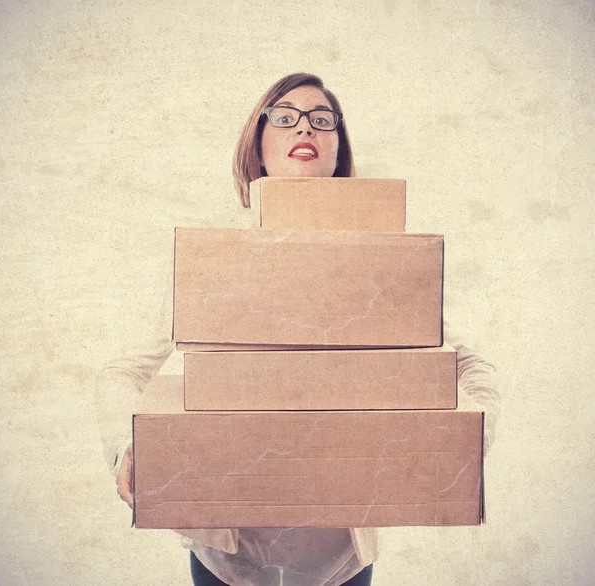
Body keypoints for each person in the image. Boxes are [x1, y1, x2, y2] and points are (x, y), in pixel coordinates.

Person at [95, 72, 501, 586]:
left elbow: (471, 365)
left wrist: (458, 445)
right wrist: (124, 446)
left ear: (338, 150)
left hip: (342, 563)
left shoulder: (382, 264)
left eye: (321, 119)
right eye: (283, 117)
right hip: (227, 563)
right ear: (258, 147)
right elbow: (122, 371)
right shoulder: (211, 262)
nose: (304, 128)